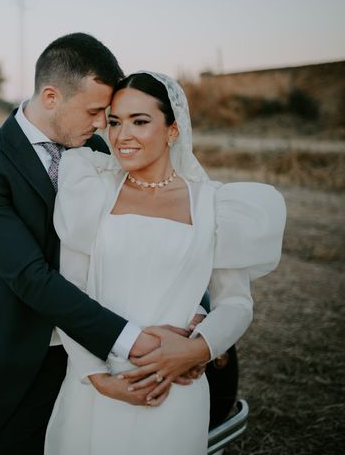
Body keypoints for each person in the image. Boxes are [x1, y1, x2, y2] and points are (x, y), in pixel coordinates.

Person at [0, 34, 205, 455]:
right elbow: (30, 276)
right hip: (24, 366)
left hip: (110, 353)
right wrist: (140, 344)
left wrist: (194, 314)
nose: (104, 124)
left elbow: (160, 226)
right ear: (51, 97)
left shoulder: (102, 149)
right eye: (95, 111)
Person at [44, 71, 286, 454]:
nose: (123, 136)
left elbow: (237, 303)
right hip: (95, 387)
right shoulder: (91, 193)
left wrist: (197, 349)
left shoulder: (214, 205)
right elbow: (71, 293)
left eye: (140, 122)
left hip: (175, 391)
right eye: (115, 122)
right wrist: (95, 375)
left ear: (172, 130)